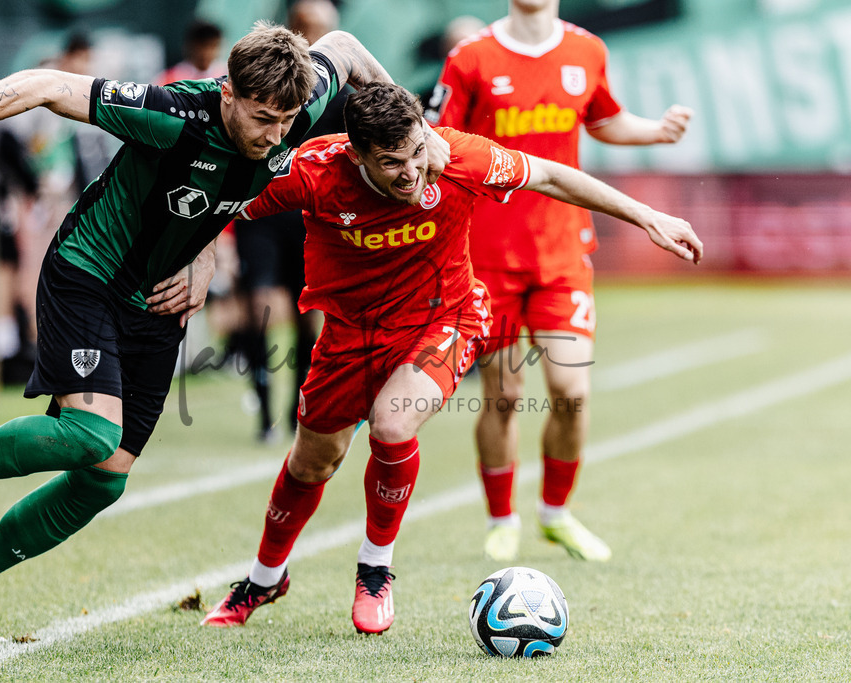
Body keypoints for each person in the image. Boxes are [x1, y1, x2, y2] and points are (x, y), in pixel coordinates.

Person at [0, 22, 449, 644]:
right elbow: (43, 85)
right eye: (262, 119)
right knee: (91, 433)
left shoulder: (296, 100)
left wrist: (424, 133)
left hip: (156, 301)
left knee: (104, 478)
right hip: (90, 274)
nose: (276, 136)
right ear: (228, 93)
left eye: (286, 122)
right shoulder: (172, 115)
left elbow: (345, 46)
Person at [199, 82, 701, 634]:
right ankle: (264, 580)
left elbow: (552, 176)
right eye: (392, 163)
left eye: (418, 152)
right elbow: (216, 200)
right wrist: (189, 262)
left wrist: (646, 216)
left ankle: (375, 569)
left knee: (392, 424)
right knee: (310, 464)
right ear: (357, 154)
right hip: (350, 334)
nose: (412, 172)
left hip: (446, 319)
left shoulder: (459, 157)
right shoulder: (314, 171)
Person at [427, 0, 694, 563]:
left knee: (572, 392)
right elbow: (435, 142)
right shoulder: (470, 58)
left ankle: (556, 513)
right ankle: (501, 518)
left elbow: (603, 120)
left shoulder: (586, 49)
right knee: (504, 394)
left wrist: (655, 131)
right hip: (487, 258)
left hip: (563, 252)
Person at [233, 0, 348, 442]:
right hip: (260, 210)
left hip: (310, 217)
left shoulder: (340, 94)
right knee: (259, 306)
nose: (312, 37)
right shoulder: (266, 81)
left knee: (307, 316)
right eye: (304, 27)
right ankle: (264, 414)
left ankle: (298, 409)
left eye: (320, 29)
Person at [155, 19, 226, 85]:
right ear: (190, 46)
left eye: (212, 46)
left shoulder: (228, 78)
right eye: (202, 46)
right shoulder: (169, 79)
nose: (207, 52)